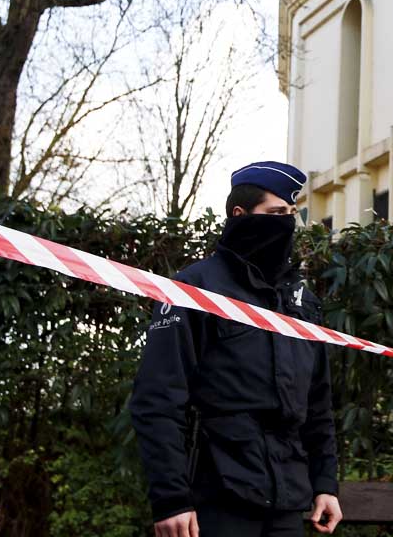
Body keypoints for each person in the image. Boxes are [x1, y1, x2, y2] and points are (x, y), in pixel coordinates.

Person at [130, 161, 342, 537]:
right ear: (239, 216)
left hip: (288, 501)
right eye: (276, 214)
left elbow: (318, 404)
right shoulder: (193, 289)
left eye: (292, 214)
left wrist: (325, 482)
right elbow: (158, 398)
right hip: (217, 495)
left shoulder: (299, 301)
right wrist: (171, 499)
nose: (287, 224)